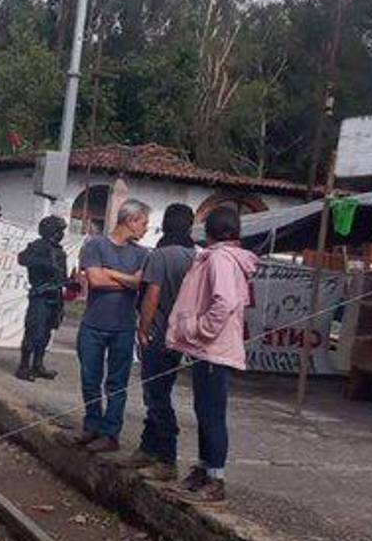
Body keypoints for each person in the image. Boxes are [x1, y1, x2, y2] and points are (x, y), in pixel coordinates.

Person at [165, 206, 258, 503]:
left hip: (213, 348)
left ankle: (216, 478)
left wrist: (199, 330)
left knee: (212, 415)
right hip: (210, 348)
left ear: (209, 232)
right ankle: (205, 470)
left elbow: (225, 302)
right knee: (205, 413)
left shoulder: (220, 258)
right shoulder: (224, 257)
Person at [119, 204, 196, 480]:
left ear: (165, 225)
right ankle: (147, 448)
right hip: (181, 337)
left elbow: (152, 295)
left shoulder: (161, 255)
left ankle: (166, 457)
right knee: (158, 391)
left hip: (158, 334)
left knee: (156, 396)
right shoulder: (195, 256)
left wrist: (143, 329)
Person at [75, 199, 150, 452]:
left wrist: (113, 273)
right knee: (90, 378)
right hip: (93, 324)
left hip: (123, 326)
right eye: (144, 222)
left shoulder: (142, 253)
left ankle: (110, 432)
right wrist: (126, 280)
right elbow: (95, 280)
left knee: (117, 383)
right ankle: (92, 425)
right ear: (130, 221)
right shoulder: (95, 245)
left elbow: (140, 283)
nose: (146, 228)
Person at [15, 215, 69, 381]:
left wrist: (69, 283)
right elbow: (22, 258)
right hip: (40, 296)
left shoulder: (60, 251)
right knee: (33, 332)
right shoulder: (38, 245)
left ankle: (38, 364)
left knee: (46, 333)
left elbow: (62, 275)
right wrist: (44, 263)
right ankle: (23, 366)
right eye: (59, 230)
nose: (61, 234)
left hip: (56, 296)